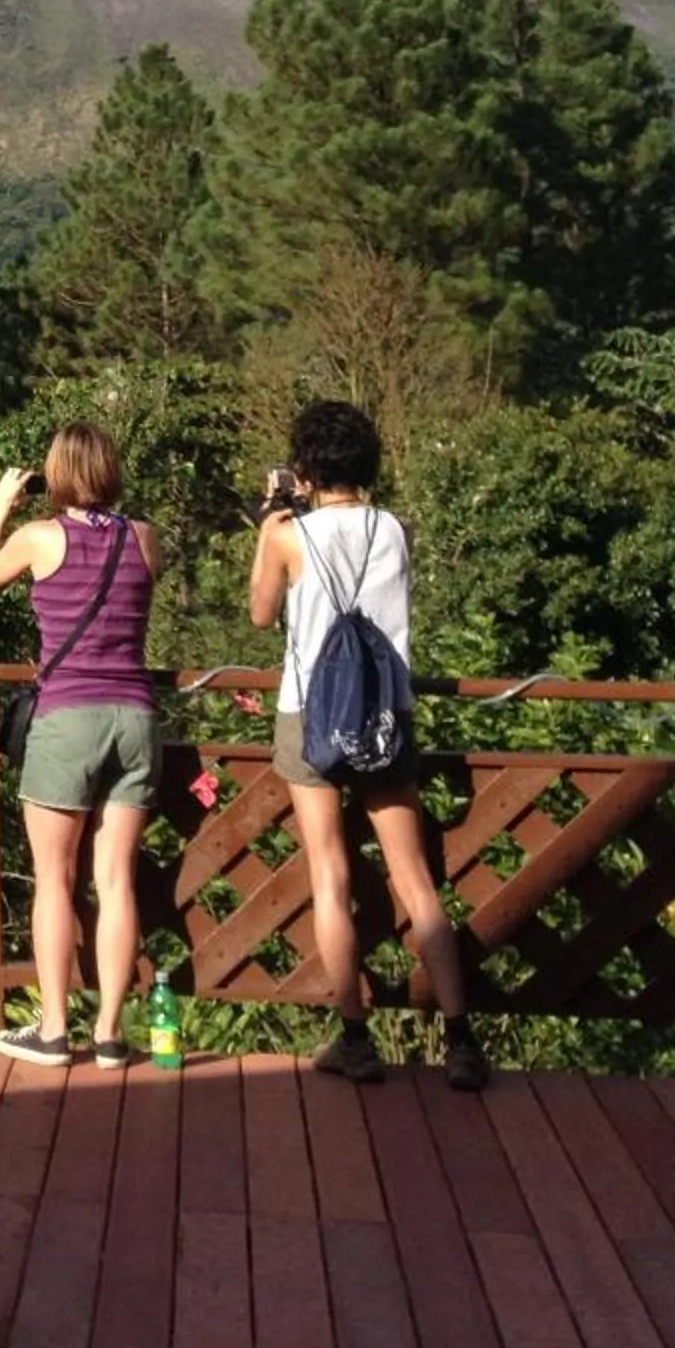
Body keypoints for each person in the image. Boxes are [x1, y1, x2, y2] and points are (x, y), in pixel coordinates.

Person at [248, 399, 489, 1094]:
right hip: (387, 713)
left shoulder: (289, 535)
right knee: (415, 877)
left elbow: (262, 615)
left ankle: (355, 1039)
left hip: (309, 714)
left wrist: (270, 523)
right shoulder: (397, 529)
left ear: (304, 467)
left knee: (331, 874)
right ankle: (460, 1038)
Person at [0, 422, 162, 1068]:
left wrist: (0, 507)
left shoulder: (41, 539)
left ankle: (53, 1028)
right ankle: (109, 1031)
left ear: (54, 474)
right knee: (115, 879)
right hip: (134, 716)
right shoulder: (144, 539)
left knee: (55, 877)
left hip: (67, 715)